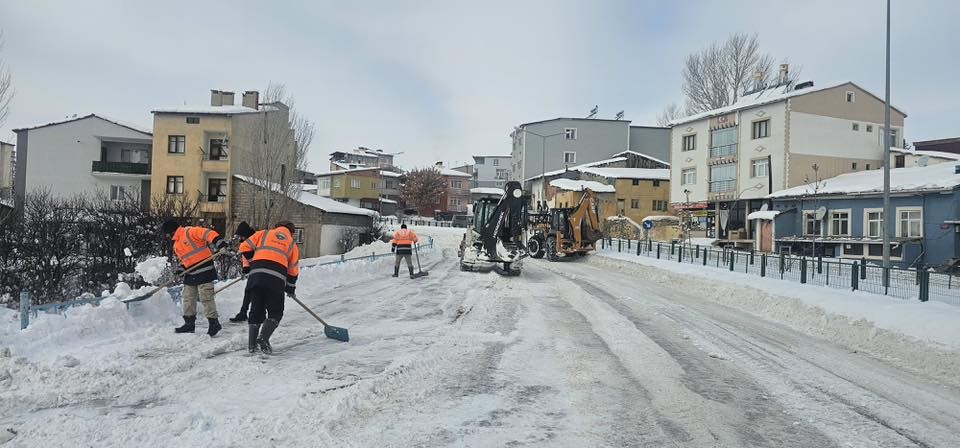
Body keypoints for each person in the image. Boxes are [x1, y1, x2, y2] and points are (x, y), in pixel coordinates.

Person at [240, 220, 300, 354]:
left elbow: (244, 247)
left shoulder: (264, 234)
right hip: (275, 280)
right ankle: (263, 338)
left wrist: (251, 264)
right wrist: (290, 288)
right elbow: (293, 269)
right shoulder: (291, 244)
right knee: (275, 312)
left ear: (276, 227)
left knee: (256, 310)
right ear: (291, 232)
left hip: (256, 277)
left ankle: (251, 346)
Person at [161, 220, 227, 336]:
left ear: (171, 231)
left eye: (166, 233)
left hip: (205, 270)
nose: (166, 236)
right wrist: (180, 270)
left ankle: (214, 323)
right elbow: (185, 261)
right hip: (191, 273)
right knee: (188, 298)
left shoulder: (189, 232)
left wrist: (220, 243)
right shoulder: (176, 244)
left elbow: (208, 233)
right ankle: (189, 324)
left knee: (206, 297)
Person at [228, 221, 257, 323]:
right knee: (248, 291)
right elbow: (245, 258)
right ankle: (243, 313)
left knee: (257, 292)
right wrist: (245, 269)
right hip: (253, 269)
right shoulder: (245, 243)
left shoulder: (256, 240)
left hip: (261, 268)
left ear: (245, 234)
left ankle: (258, 314)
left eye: (241, 236)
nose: (240, 238)